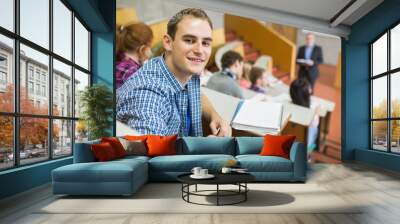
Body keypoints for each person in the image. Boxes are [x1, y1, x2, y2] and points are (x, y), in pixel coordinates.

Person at [117, 8, 231, 137]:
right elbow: (154, 154)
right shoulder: (147, 96)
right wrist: (207, 148)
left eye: (205, 43)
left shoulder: (185, 71)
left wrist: (214, 115)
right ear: (168, 42)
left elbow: (197, 94)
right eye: (189, 40)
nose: (199, 50)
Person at [116, 22, 153, 89]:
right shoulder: (132, 71)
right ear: (143, 49)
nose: (151, 51)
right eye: (150, 46)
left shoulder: (120, 57)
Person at [289, 77, 319, 153]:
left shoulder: (288, 106)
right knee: (315, 130)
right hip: (305, 146)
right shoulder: (312, 111)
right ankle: (309, 154)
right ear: (307, 93)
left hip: (288, 143)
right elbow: (315, 124)